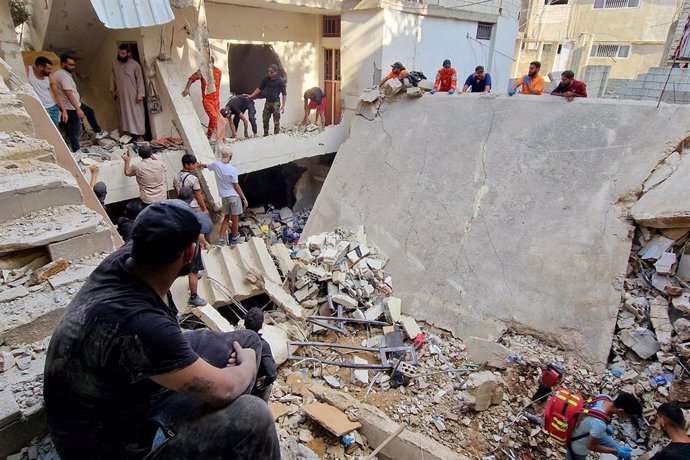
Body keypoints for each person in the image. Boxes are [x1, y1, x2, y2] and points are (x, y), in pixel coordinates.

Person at [44, 202, 280, 459]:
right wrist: (244, 366)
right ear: (190, 253)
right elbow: (225, 390)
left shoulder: (130, 259)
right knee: (253, 414)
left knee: (248, 339)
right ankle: (234, 440)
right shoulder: (143, 325)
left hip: (112, 394)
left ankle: (226, 439)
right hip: (102, 446)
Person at [54, 53, 108, 153]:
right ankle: (77, 151)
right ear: (63, 64)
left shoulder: (60, 74)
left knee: (89, 112)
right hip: (72, 107)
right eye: (70, 65)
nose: (73, 67)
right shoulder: (63, 75)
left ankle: (98, 131)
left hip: (74, 104)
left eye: (73, 65)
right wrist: (78, 110)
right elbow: (69, 94)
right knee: (74, 129)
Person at [566, 392, 642, 460]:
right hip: (578, 444)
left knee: (613, 445)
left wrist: (603, 427)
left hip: (584, 429)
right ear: (621, 411)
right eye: (628, 416)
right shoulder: (599, 423)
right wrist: (615, 452)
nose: (627, 418)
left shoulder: (604, 397)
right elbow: (591, 446)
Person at [199, 143, 248, 245]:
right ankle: (234, 238)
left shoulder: (216, 165)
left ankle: (221, 239)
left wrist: (199, 165)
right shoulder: (232, 170)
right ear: (230, 157)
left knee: (226, 218)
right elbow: (236, 186)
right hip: (234, 197)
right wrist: (243, 198)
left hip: (224, 197)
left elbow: (205, 165)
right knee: (235, 219)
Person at [177, 187, 211, 307]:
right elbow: (198, 232)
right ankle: (194, 297)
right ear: (191, 198)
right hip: (190, 244)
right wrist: (205, 243)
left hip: (176, 242)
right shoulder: (190, 213)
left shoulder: (174, 207)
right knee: (194, 270)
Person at [110, 44, 146, 140]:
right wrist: (112, 90)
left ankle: (140, 135)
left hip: (133, 94)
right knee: (125, 113)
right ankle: (129, 135)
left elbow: (140, 80)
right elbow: (112, 77)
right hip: (121, 94)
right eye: (119, 53)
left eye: (123, 53)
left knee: (137, 113)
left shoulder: (135, 65)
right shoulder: (114, 63)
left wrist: (140, 94)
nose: (121, 55)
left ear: (128, 53)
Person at [182, 58, 222, 139]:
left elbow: (219, 85)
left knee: (215, 119)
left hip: (216, 100)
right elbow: (192, 78)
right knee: (214, 117)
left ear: (212, 63)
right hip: (208, 100)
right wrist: (187, 89)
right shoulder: (202, 71)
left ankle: (210, 136)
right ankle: (218, 137)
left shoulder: (218, 71)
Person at [242, 307, 276, 403]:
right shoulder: (263, 346)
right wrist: (265, 382)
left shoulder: (236, 339)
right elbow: (272, 374)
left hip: (236, 386)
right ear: (261, 326)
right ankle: (260, 407)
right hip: (253, 390)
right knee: (269, 385)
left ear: (244, 323)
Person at [246, 64, 287, 137]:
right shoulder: (266, 79)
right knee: (265, 118)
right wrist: (251, 95)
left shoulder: (280, 81)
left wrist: (283, 106)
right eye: (269, 71)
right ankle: (266, 134)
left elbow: (284, 94)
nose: (270, 73)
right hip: (268, 102)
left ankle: (276, 135)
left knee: (276, 120)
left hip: (276, 102)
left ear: (276, 72)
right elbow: (259, 88)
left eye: (272, 72)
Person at [27, 56, 67, 126]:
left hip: (52, 108)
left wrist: (64, 111)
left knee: (55, 129)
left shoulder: (51, 77)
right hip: (38, 108)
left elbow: (57, 95)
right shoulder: (28, 70)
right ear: (40, 67)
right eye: (48, 69)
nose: (51, 71)